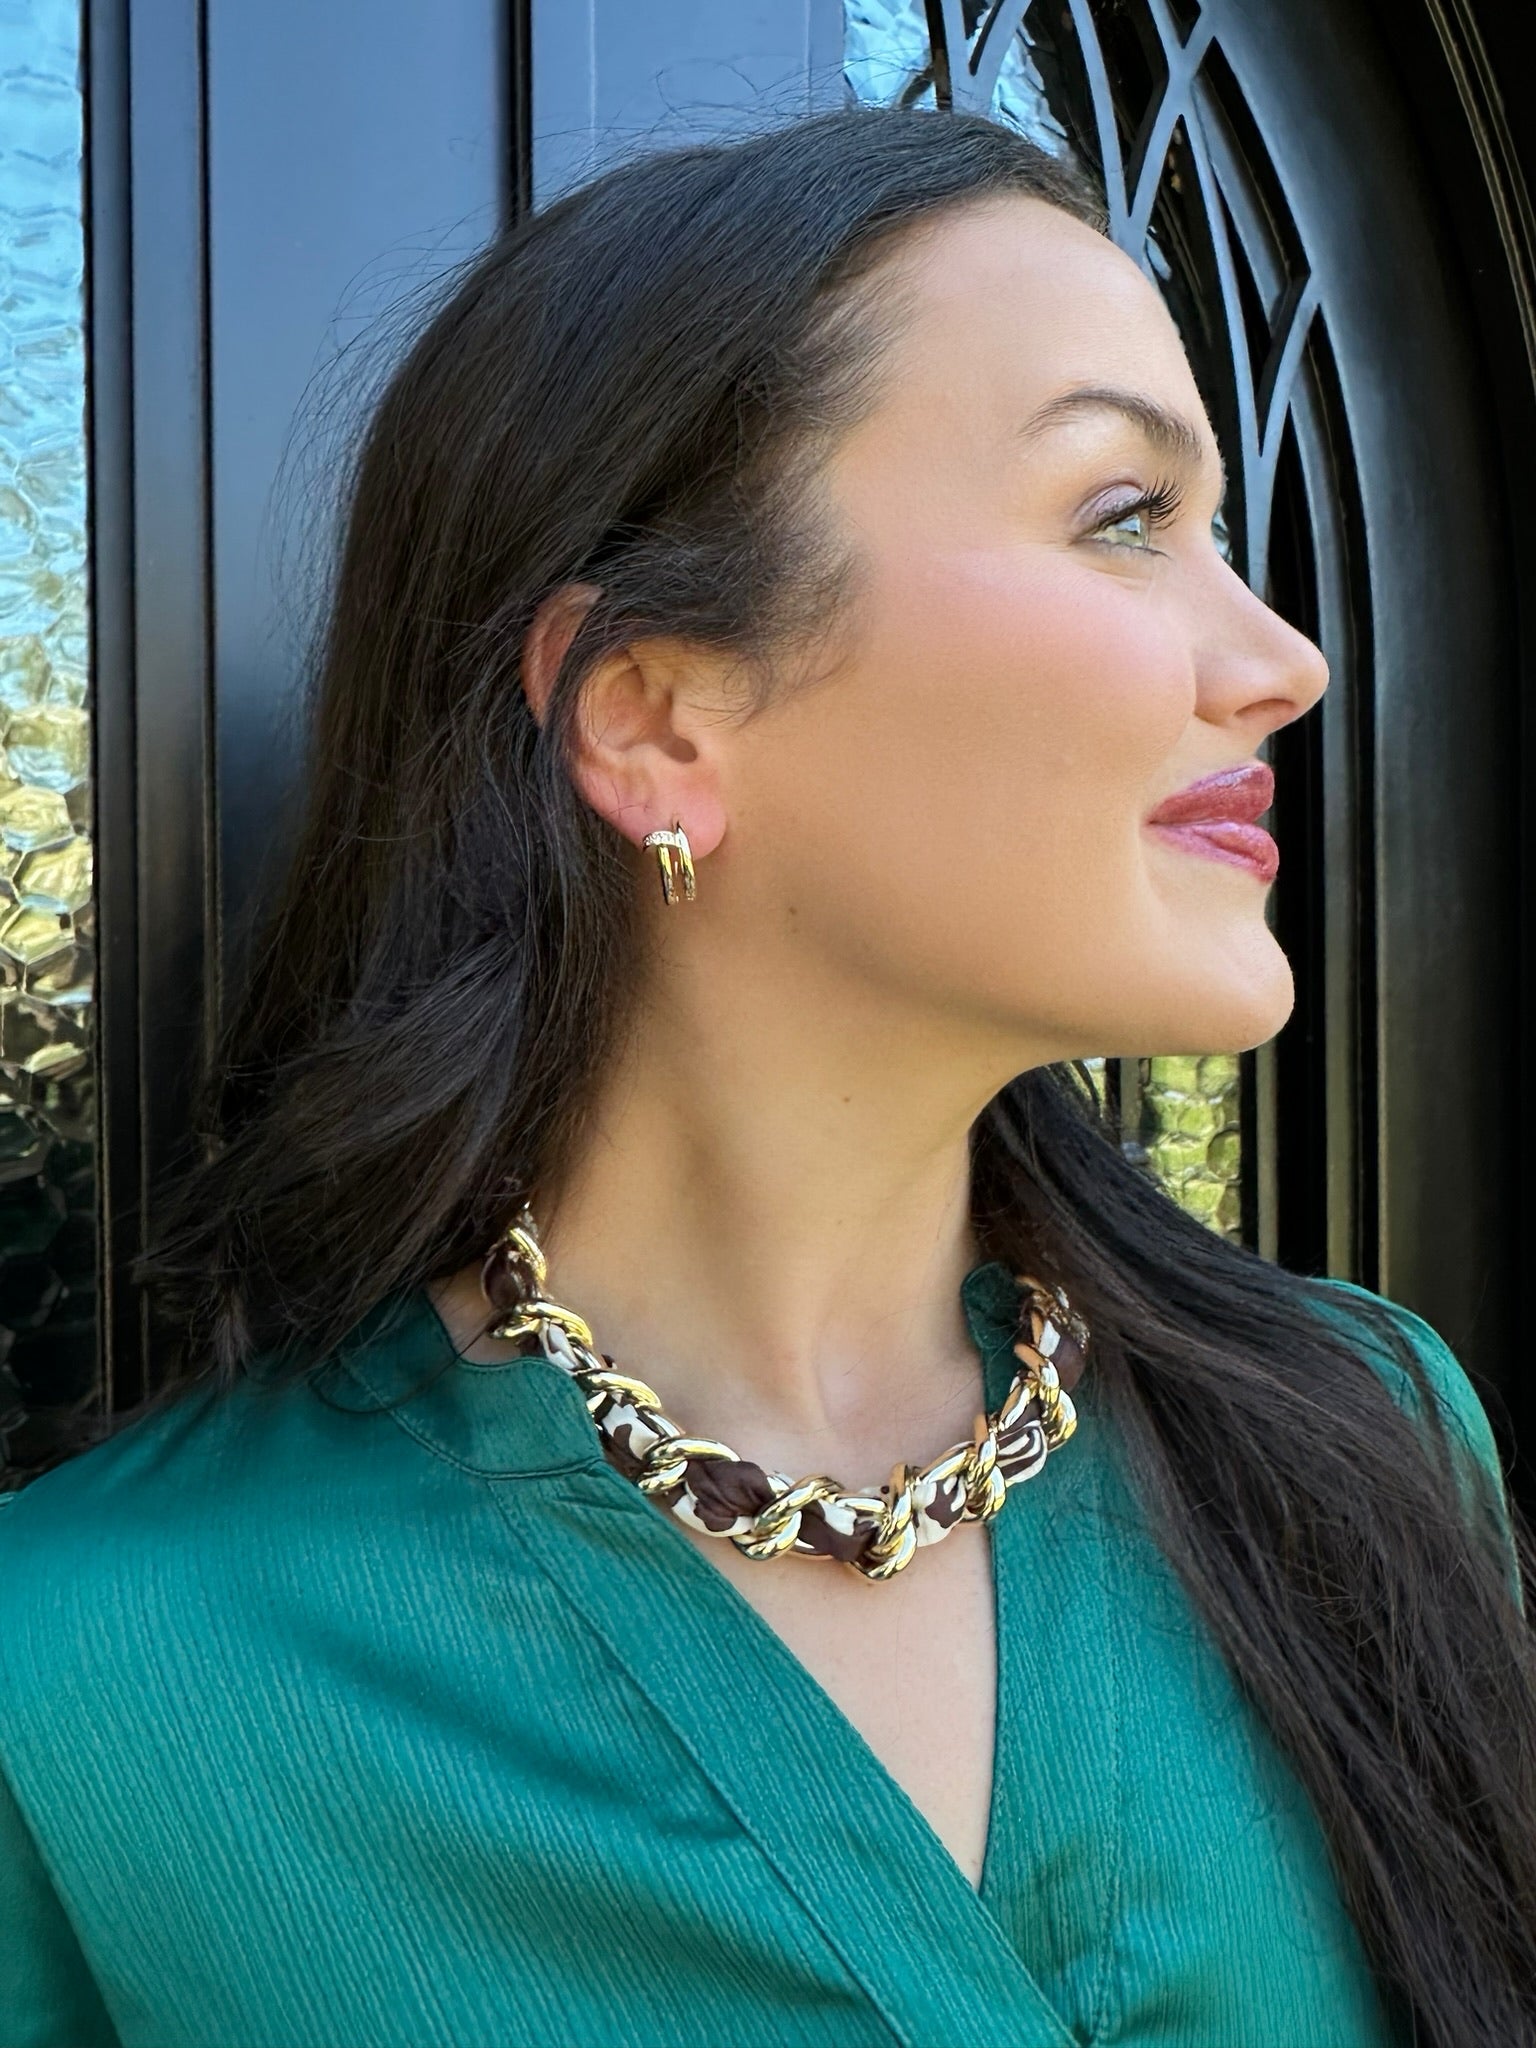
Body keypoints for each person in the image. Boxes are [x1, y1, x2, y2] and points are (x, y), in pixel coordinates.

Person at [3, 103, 1534, 2048]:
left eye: (1212, 531)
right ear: (656, 715)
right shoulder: (98, 1685)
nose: (1283, 657)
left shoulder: (1364, 1446)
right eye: (1124, 516)